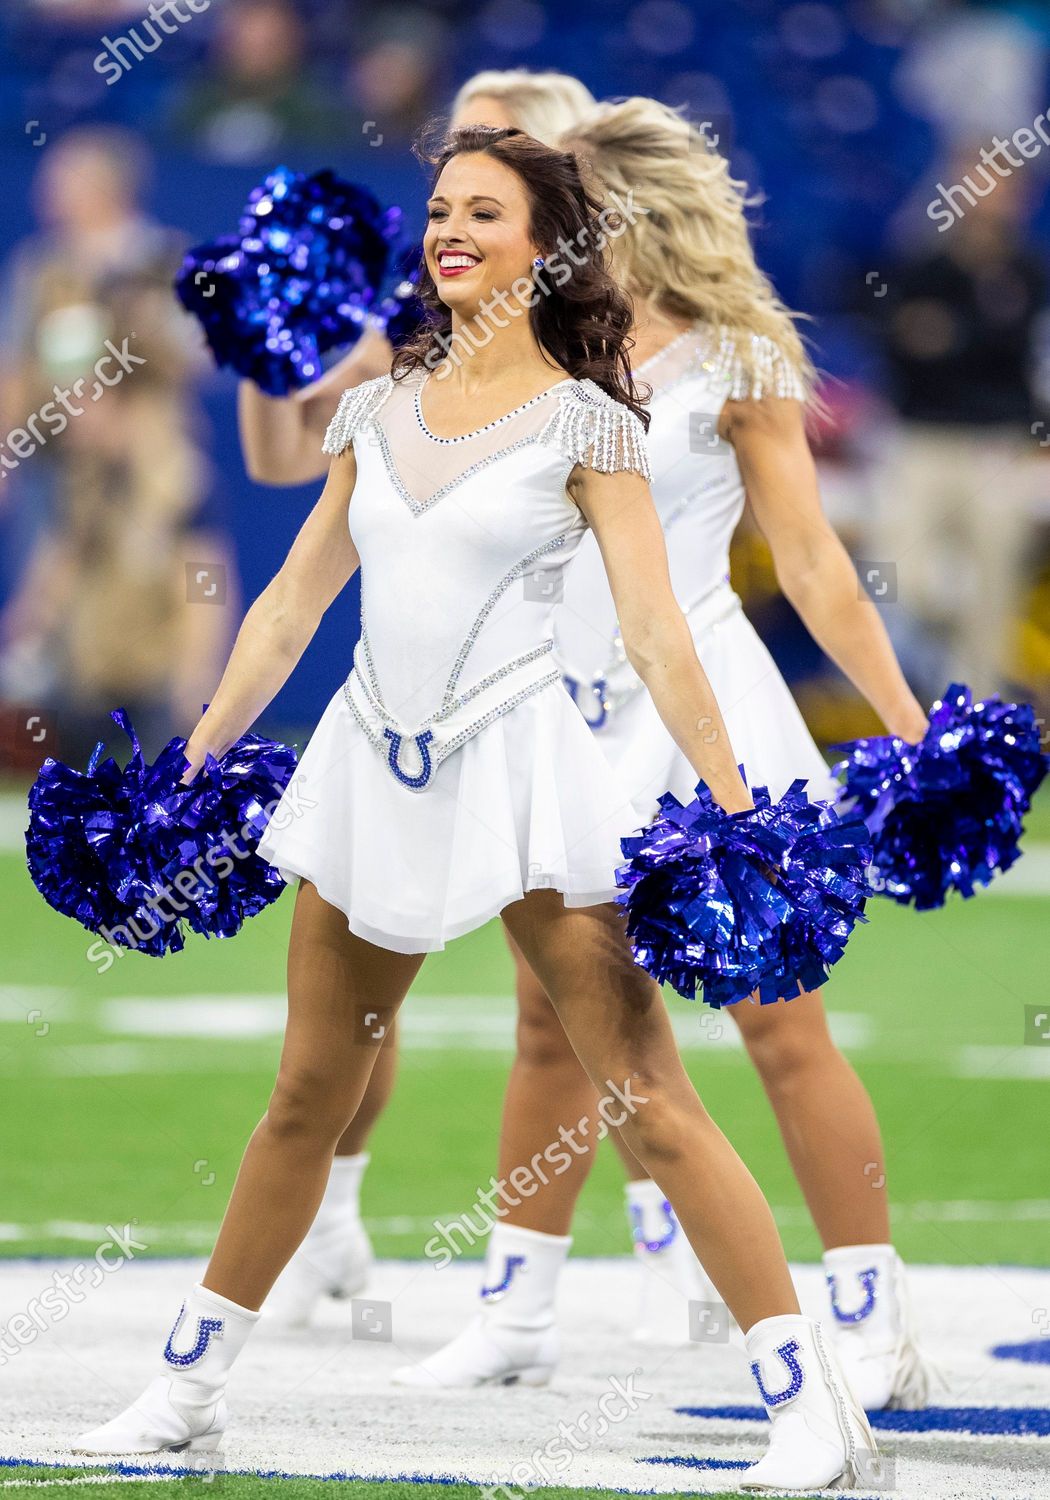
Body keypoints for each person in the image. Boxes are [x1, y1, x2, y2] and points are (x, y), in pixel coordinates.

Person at [74, 126, 878, 1493]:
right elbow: (285, 608)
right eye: (439, 210)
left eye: (483, 214)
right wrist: (198, 761)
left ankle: (805, 1404)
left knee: (648, 1095)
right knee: (302, 1100)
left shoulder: (587, 419)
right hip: (366, 765)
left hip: (522, 771)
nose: (448, 232)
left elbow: (654, 633)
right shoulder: (379, 407)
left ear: (541, 246)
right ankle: (183, 1389)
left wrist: (735, 808)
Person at [384, 99, 933, 1411]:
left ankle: (872, 1314)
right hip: (551, 708)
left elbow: (807, 562)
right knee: (551, 1029)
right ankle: (516, 1307)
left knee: (778, 1027)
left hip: (701, 707)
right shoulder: (520, 344)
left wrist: (909, 729)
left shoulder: (739, 355)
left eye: (559, 195)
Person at [237, 67, 599, 1326]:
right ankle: (330, 1207)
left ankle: (550, 1287)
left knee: (578, 1020)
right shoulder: (416, 326)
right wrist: (264, 345)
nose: (463, 188)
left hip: (595, 672)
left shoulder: (614, 325)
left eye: (505, 156)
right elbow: (289, 461)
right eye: (456, 157)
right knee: (354, 1001)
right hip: (433, 692)